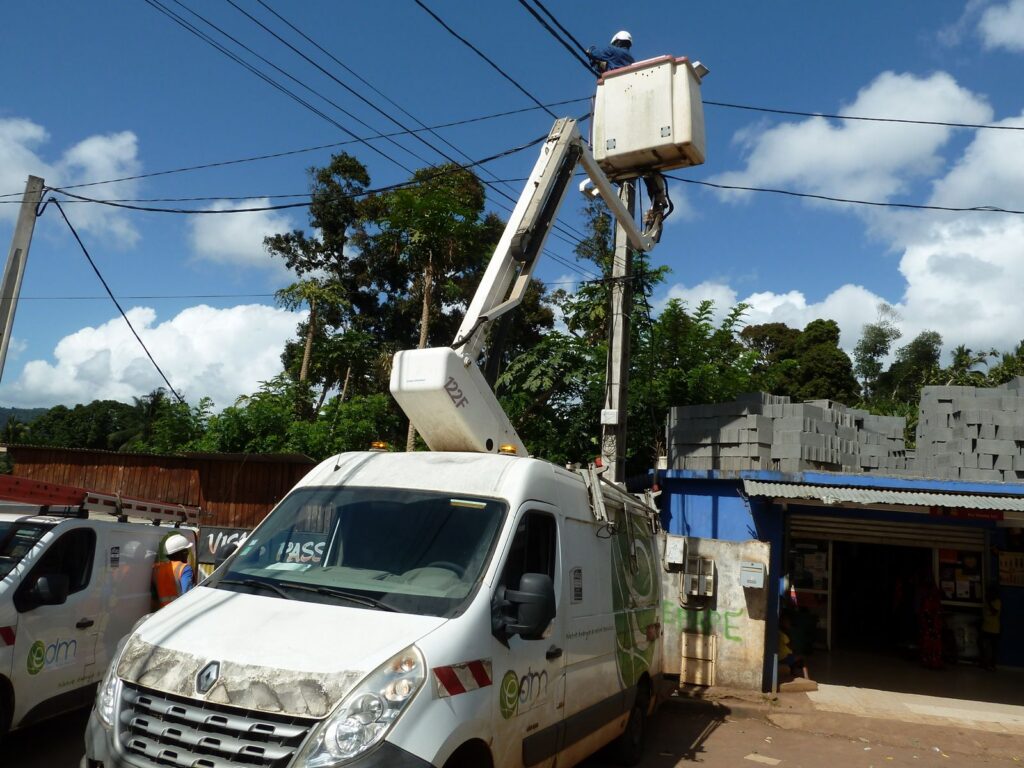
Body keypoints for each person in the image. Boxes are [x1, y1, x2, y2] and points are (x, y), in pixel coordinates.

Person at [152, 533, 195, 610]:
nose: (188, 553)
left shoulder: (157, 568)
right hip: (178, 611)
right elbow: (188, 595)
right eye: (186, 551)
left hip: (161, 612)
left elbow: (154, 595)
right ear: (181, 553)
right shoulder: (185, 568)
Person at [778, 613, 808, 680]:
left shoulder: (779, 632)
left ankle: (793, 673)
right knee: (802, 658)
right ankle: (807, 677)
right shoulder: (783, 635)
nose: (789, 624)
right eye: (787, 622)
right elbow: (791, 646)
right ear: (783, 623)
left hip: (782, 656)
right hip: (783, 658)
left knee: (794, 656)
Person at [980, 585, 1001, 670]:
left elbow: (994, 611)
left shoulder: (997, 601)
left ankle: (992, 664)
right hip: (985, 627)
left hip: (994, 628)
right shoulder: (986, 601)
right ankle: (985, 663)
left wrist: (988, 602)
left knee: (993, 648)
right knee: (984, 645)